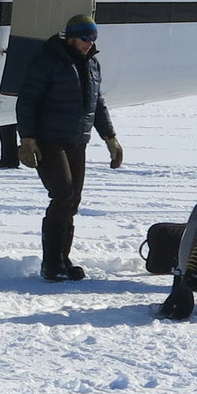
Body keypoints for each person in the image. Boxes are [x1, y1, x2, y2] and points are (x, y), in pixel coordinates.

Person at [13, 15, 123, 282]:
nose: (90, 44)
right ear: (71, 37)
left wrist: (110, 137)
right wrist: (27, 139)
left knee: (73, 200)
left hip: (77, 140)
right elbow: (27, 101)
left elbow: (98, 105)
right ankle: (51, 263)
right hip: (49, 139)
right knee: (62, 194)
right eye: (86, 38)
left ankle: (63, 258)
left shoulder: (92, 65)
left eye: (93, 39)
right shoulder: (47, 62)